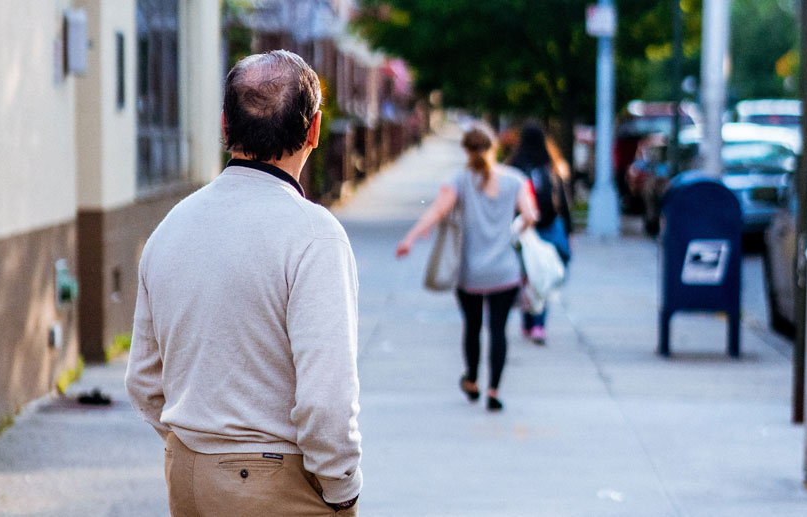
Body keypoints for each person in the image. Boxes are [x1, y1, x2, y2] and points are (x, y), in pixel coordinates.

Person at [125, 51, 362, 516]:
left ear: (225, 128)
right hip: (276, 483)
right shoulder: (313, 234)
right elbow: (327, 403)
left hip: (188, 474)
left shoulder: (171, 227)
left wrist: (199, 444)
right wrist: (342, 487)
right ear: (314, 130)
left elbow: (143, 381)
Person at [396, 125, 538, 411]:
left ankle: (472, 381)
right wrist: (514, 231)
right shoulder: (515, 180)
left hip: (470, 273)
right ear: (494, 147)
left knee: (472, 328)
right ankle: (495, 390)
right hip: (505, 272)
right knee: (498, 331)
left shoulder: (459, 181)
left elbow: (436, 211)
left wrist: (410, 239)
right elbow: (531, 215)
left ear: (466, 151)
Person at [508, 123, 573, 345]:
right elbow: (563, 203)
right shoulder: (551, 166)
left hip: (524, 227)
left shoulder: (514, 166)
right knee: (542, 274)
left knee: (527, 275)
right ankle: (539, 324)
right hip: (548, 226)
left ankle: (527, 321)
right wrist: (569, 232)